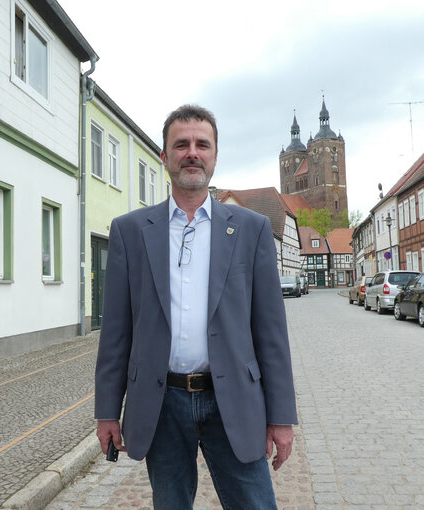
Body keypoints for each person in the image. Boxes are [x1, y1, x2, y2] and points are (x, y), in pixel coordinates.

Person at [95, 104, 297, 509]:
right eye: (181, 144)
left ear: (215, 155)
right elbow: (117, 330)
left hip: (234, 400)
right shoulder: (130, 232)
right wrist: (107, 411)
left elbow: (270, 331)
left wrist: (281, 416)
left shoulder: (250, 230)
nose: (192, 152)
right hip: (162, 401)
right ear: (164, 156)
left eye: (202, 144)